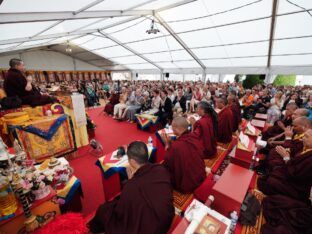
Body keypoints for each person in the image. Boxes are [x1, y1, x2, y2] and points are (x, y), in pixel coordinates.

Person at [88, 141, 174, 234]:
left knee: (104, 210)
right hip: (167, 219)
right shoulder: (160, 168)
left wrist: (130, 182)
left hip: (152, 229)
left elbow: (121, 212)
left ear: (132, 161)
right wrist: (132, 181)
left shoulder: (131, 186)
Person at [257, 128, 312, 203]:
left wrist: (286, 157)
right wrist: (288, 152)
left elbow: (295, 174)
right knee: (274, 153)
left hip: (297, 186)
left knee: (272, 181)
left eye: (306, 136)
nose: (302, 138)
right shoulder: (306, 146)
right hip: (290, 168)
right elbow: (293, 150)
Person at [162, 117, 206, 193]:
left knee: (162, 169)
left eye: (172, 128)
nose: (172, 130)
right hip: (200, 176)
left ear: (176, 129)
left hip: (187, 184)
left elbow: (167, 162)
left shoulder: (176, 146)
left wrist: (167, 144)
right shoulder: (194, 137)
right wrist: (171, 144)